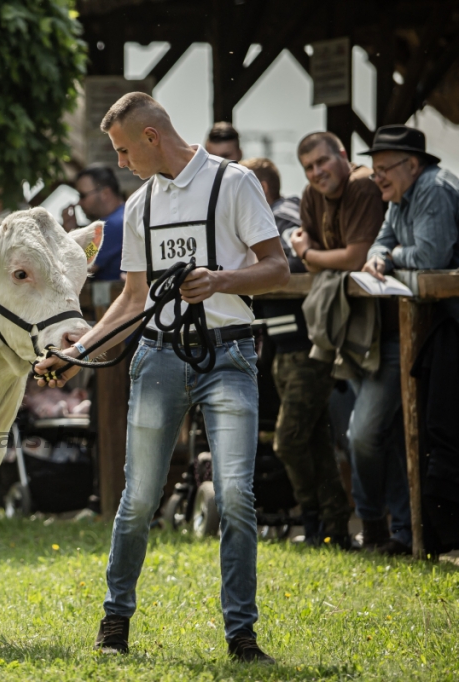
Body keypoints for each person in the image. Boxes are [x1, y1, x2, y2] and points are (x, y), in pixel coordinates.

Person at [36, 92, 289, 663]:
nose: (121, 163)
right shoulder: (143, 203)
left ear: (151, 137)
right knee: (138, 497)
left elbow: (278, 267)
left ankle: (242, 637)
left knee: (238, 498)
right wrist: (73, 354)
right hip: (157, 355)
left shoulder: (234, 183)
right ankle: (115, 622)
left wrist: (220, 282)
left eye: (125, 150)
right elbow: (132, 300)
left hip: (229, 356)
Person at [242, 155, 354, 549]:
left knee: (289, 441)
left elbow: (296, 260)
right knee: (315, 440)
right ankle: (333, 528)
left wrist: (251, 266)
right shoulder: (269, 216)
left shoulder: (283, 214)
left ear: (261, 189)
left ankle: (313, 518)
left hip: (308, 347)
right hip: (284, 347)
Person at [359, 125, 459, 554]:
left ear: (412, 165)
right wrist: (382, 254)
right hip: (442, 326)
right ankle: (429, 536)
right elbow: (379, 245)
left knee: (443, 431)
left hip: (451, 325)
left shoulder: (433, 188)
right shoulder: (401, 197)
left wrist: (392, 257)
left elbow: (430, 258)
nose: (377, 177)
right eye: (374, 169)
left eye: (384, 169)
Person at [62, 165, 126, 279]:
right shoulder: (125, 216)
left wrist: (71, 233)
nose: (79, 203)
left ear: (105, 193)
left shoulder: (110, 227)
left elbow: (80, 266)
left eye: (82, 195)